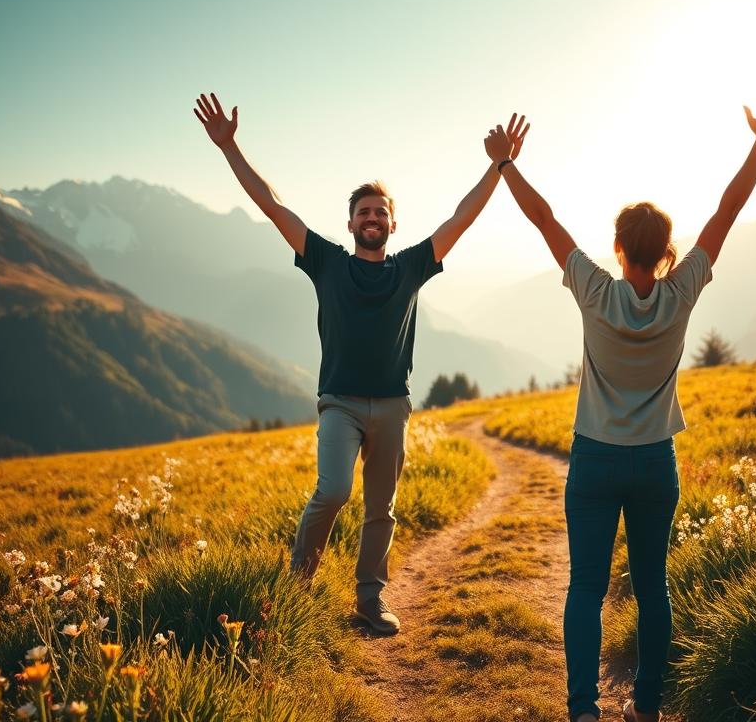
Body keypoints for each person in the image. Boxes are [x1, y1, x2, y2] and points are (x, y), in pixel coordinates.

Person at [495, 87, 756, 721]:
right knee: (653, 588)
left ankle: (584, 709)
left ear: (617, 249)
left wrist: (506, 164)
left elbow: (544, 219)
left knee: (586, 588)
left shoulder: (594, 291)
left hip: (595, 460)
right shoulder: (681, 292)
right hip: (655, 462)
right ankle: (647, 707)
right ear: (666, 253)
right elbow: (727, 211)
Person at [194, 93, 529, 634]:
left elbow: (461, 218)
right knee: (332, 490)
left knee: (382, 509)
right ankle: (296, 587)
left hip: (393, 406)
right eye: (364, 212)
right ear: (350, 223)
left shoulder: (412, 266)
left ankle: (370, 599)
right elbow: (273, 206)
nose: (372, 218)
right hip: (340, 403)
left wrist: (499, 165)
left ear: (392, 224)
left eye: (380, 212)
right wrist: (230, 148)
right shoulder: (326, 261)